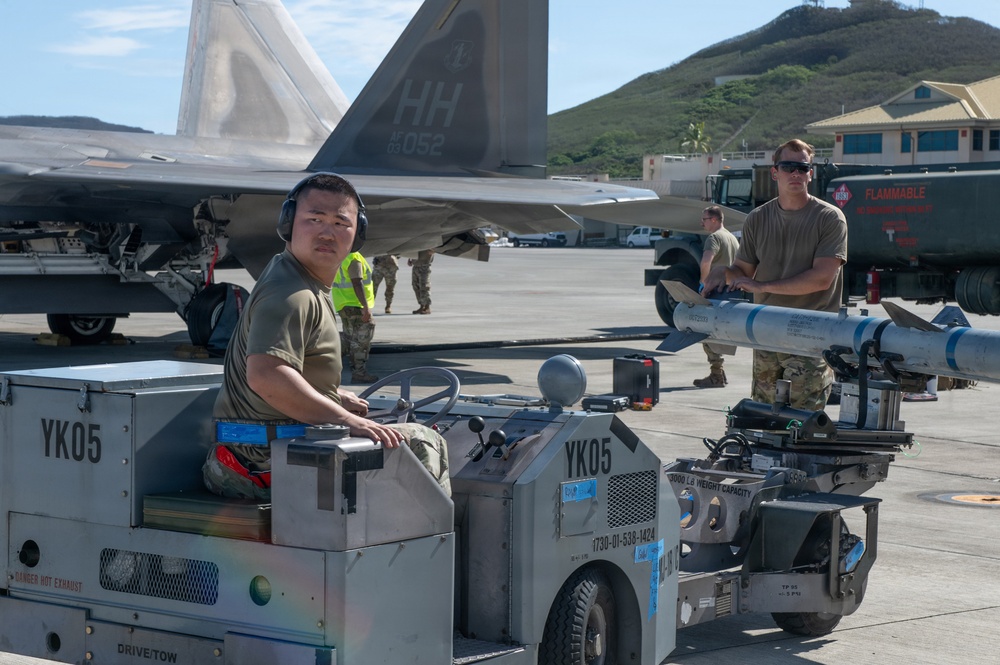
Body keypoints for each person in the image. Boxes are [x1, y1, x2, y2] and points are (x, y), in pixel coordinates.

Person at [202, 173, 450, 501]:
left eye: (339, 222)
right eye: (314, 219)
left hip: (256, 453)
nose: (326, 232)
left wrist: (331, 395)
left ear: (356, 234)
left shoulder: (292, 274)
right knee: (423, 441)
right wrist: (347, 420)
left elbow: (283, 370)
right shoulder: (292, 294)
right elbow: (266, 375)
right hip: (260, 464)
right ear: (288, 224)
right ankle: (437, 546)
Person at [703, 139, 847, 410]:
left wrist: (762, 285)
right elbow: (744, 271)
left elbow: (821, 279)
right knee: (765, 417)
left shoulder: (829, 218)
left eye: (802, 168)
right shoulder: (758, 218)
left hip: (810, 337)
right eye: (788, 166)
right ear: (775, 172)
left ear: (810, 173)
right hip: (767, 334)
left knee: (803, 422)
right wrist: (724, 272)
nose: (796, 174)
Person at [693, 205, 739, 389]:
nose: (701, 223)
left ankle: (716, 375)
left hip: (715, 292)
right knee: (717, 334)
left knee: (705, 332)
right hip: (730, 293)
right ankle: (720, 373)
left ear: (713, 220)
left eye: (704, 219)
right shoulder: (732, 238)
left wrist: (704, 284)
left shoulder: (713, 238)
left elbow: (706, 261)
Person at [333, 251, 377, 384]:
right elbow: (357, 282)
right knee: (361, 339)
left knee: (348, 337)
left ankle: (324, 361)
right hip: (355, 305)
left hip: (343, 302)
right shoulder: (354, 258)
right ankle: (359, 372)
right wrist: (365, 306)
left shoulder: (340, 255)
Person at [409, 249, 434, 314]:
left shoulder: (428, 241)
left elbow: (435, 248)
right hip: (415, 266)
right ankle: (422, 306)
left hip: (424, 267)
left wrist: (433, 251)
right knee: (416, 286)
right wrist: (410, 259)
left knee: (424, 287)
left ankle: (427, 307)